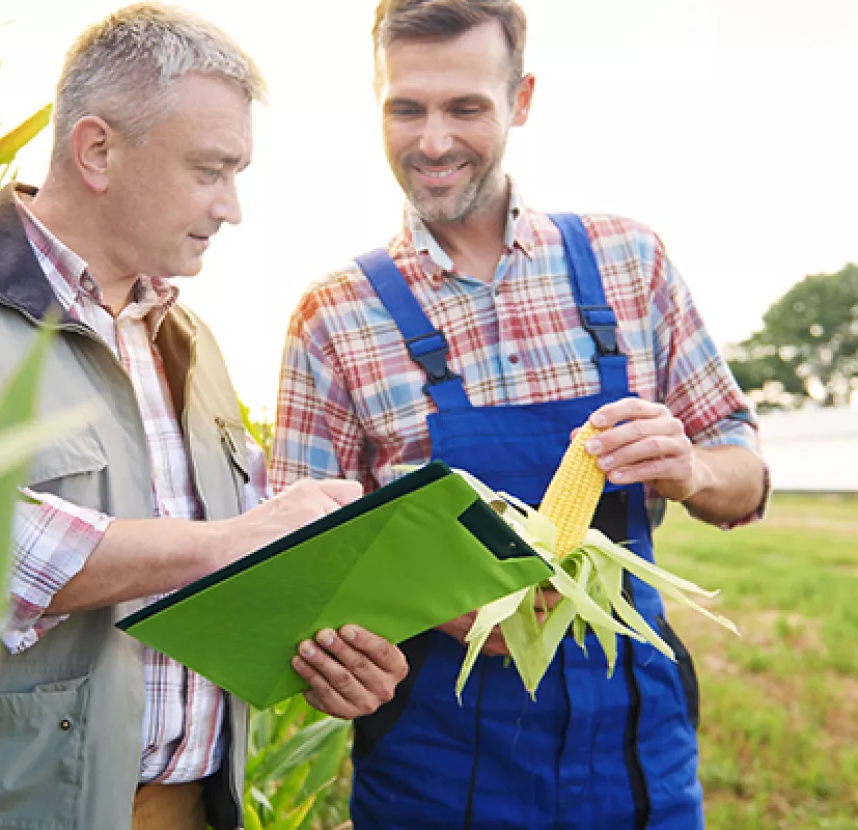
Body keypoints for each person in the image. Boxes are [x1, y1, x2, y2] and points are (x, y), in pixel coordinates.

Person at [0, 5, 407, 830]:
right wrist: (227, 541)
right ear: (96, 150)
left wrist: (328, 654)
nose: (231, 207)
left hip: (186, 810)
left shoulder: (191, 342)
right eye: (209, 170)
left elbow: (239, 575)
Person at [269, 1, 769, 828]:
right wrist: (428, 606)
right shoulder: (333, 315)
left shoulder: (628, 261)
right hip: (435, 767)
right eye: (406, 109)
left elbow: (743, 477)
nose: (433, 141)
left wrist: (689, 469)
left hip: (636, 754)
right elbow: (296, 561)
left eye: (465, 107)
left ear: (521, 99)